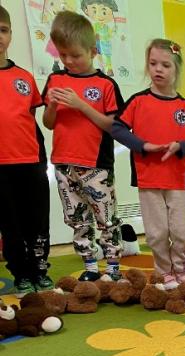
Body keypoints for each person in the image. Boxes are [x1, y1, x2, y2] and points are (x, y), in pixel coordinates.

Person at [111, 39, 185, 289]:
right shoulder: (138, 101)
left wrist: (181, 146)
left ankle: (182, 269)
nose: (158, 69)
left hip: (179, 179)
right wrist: (143, 145)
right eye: (153, 63)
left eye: (165, 65)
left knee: (181, 232)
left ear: (176, 69)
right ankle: (164, 272)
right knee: (156, 233)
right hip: (148, 179)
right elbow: (117, 128)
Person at [41, 10, 124, 282]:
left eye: (75, 55)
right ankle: (90, 267)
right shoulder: (55, 80)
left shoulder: (105, 84)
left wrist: (81, 105)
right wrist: (53, 105)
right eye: (63, 54)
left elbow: (113, 126)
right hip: (64, 163)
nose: (68, 61)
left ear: (93, 51)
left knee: (106, 217)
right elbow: (49, 123)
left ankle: (113, 268)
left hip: (96, 165)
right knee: (76, 218)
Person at [0, 6, 52, 296]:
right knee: (10, 223)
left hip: (30, 161)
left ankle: (40, 270)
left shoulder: (24, 77)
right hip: (1, 165)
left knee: (37, 219)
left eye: (3, 30)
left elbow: (29, 119)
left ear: (10, 34)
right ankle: (21, 274)